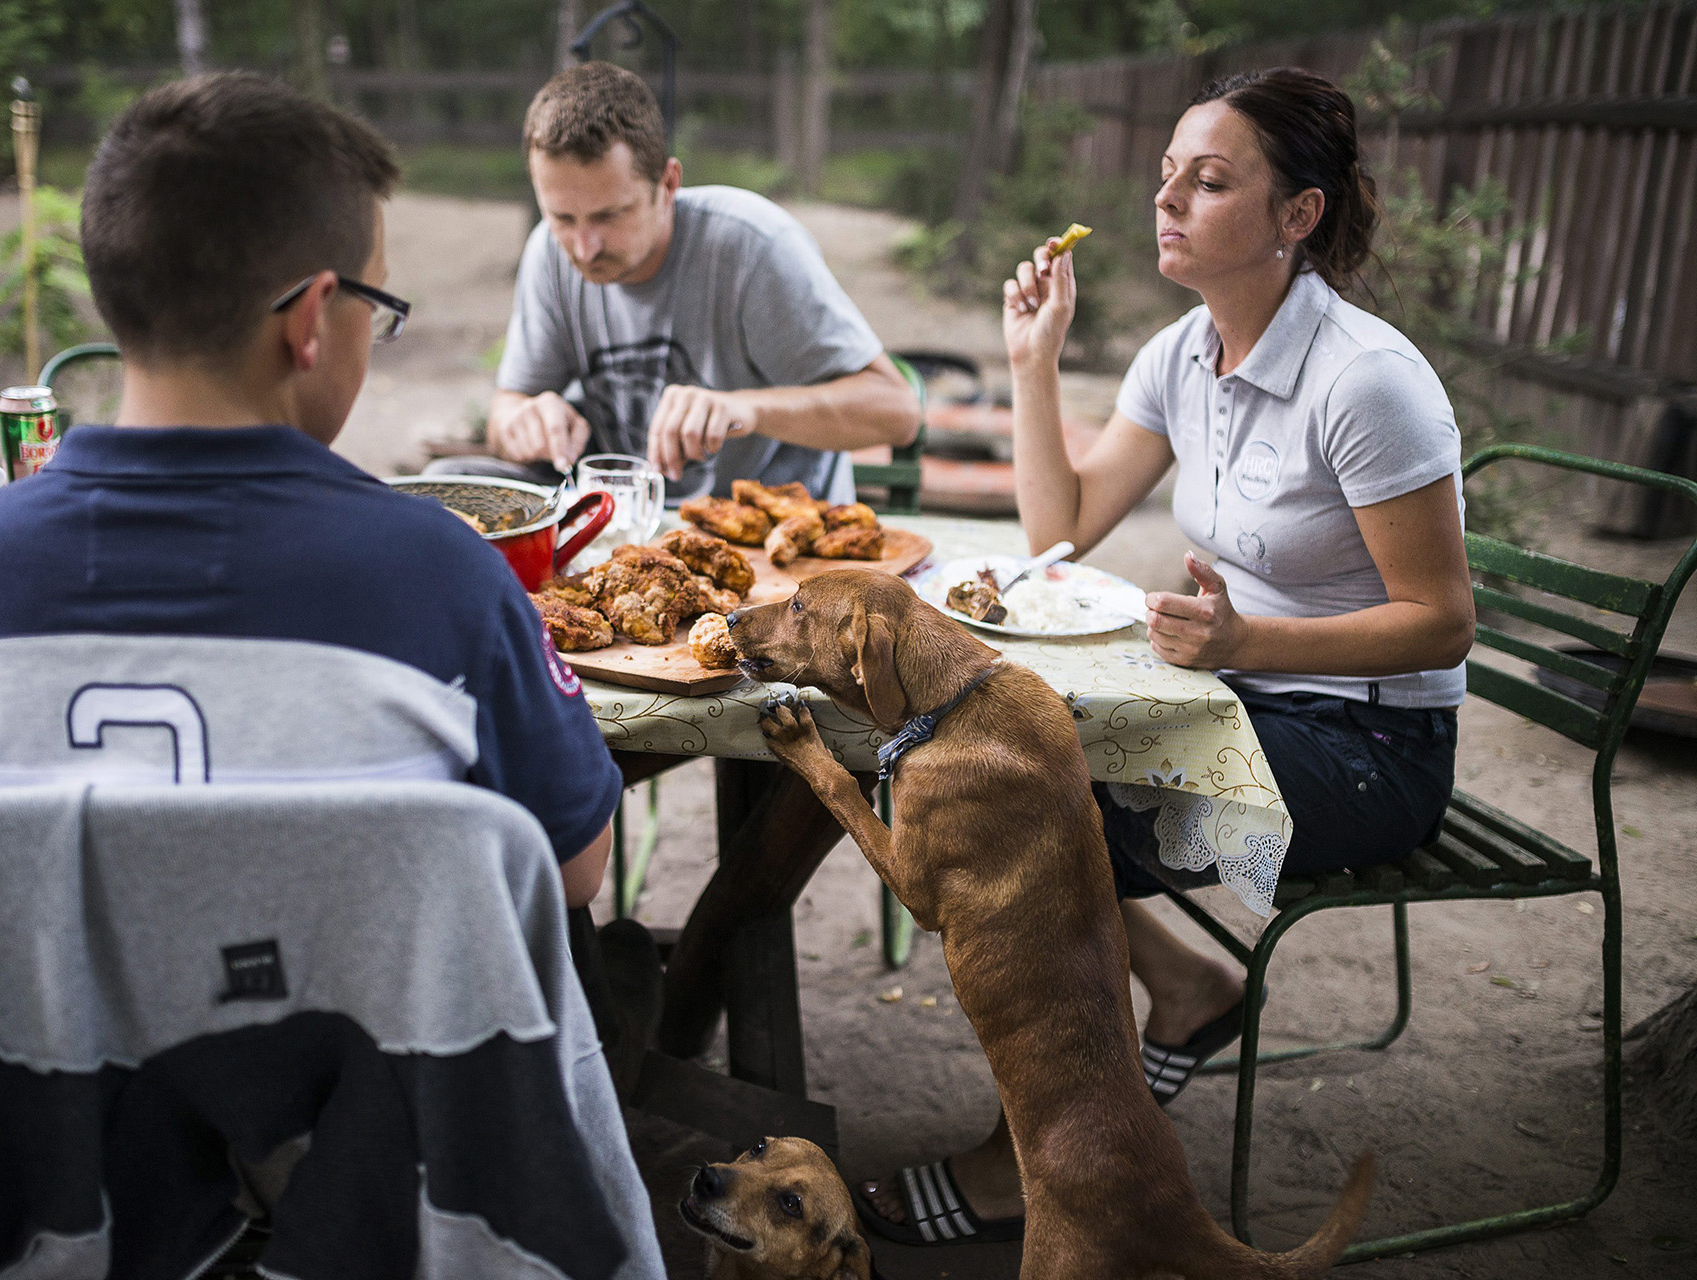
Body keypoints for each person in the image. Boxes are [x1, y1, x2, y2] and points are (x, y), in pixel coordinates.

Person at [854, 67, 1476, 1246]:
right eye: (1165, 178)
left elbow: (1443, 620)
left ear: (1298, 217)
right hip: (1240, 701)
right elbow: (1059, 531)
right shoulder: (1183, 352)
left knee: (1032, 827)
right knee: (999, 771)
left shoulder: (1369, 380)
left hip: (1371, 743)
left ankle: (1030, 1164)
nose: (1168, 201)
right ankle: (1185, 992)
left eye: (1210, 180)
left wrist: (1253, 638)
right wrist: (1033, 362)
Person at [0, 72, 619, 912]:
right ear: (312, 320)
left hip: (66, 1039)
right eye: (376, 305)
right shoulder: (437, 571)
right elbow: (575, 871)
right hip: (357, 1038)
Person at [429, 60, 919, 502]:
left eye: (609, 215)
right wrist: (523, 423)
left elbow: (896, 412)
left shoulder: (750, 245)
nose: (584, 247)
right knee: (441, 488)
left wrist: (743, 409)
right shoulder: (547, 254)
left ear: (668, 184)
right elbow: (504, 413)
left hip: (778, 534)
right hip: (636, 532)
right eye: (562, 217)